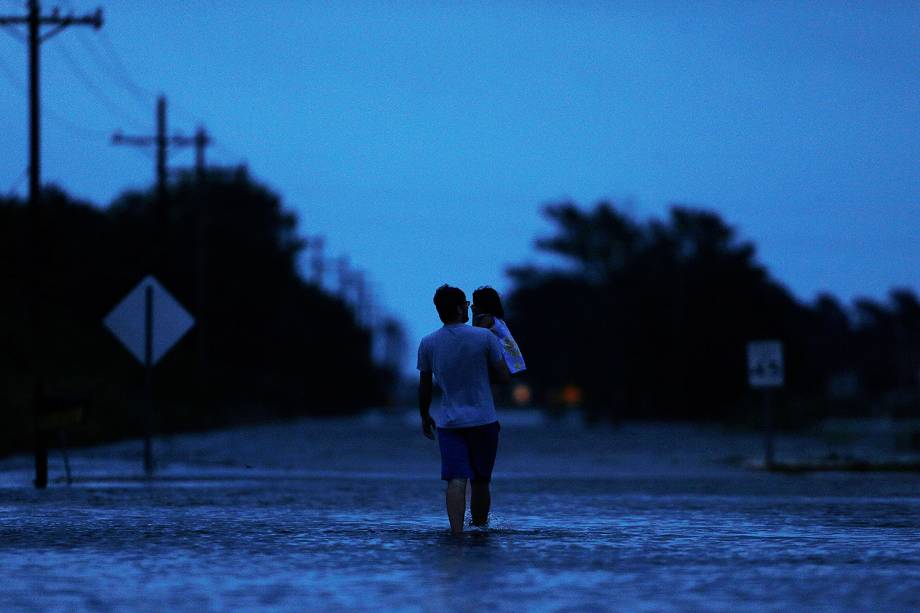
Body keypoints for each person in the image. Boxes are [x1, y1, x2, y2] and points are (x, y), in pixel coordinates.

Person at [418, 284, 510, 534]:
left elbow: (425, 386)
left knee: (455, 479)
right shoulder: (484, 337)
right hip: (484, 420)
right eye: (467, 305)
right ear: (460, 308)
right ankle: (479, 532)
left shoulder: (428, 343)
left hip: (449, 423)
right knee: (481, 481)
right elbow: (504, 376)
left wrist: (424, 415)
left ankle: (456, 534)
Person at [471, 286, 526, 374]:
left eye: (475, 303)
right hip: (513, 359)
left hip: (505, 360)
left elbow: (475, 336)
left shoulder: (487, 319)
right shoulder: (497, 319)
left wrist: (474, 315)